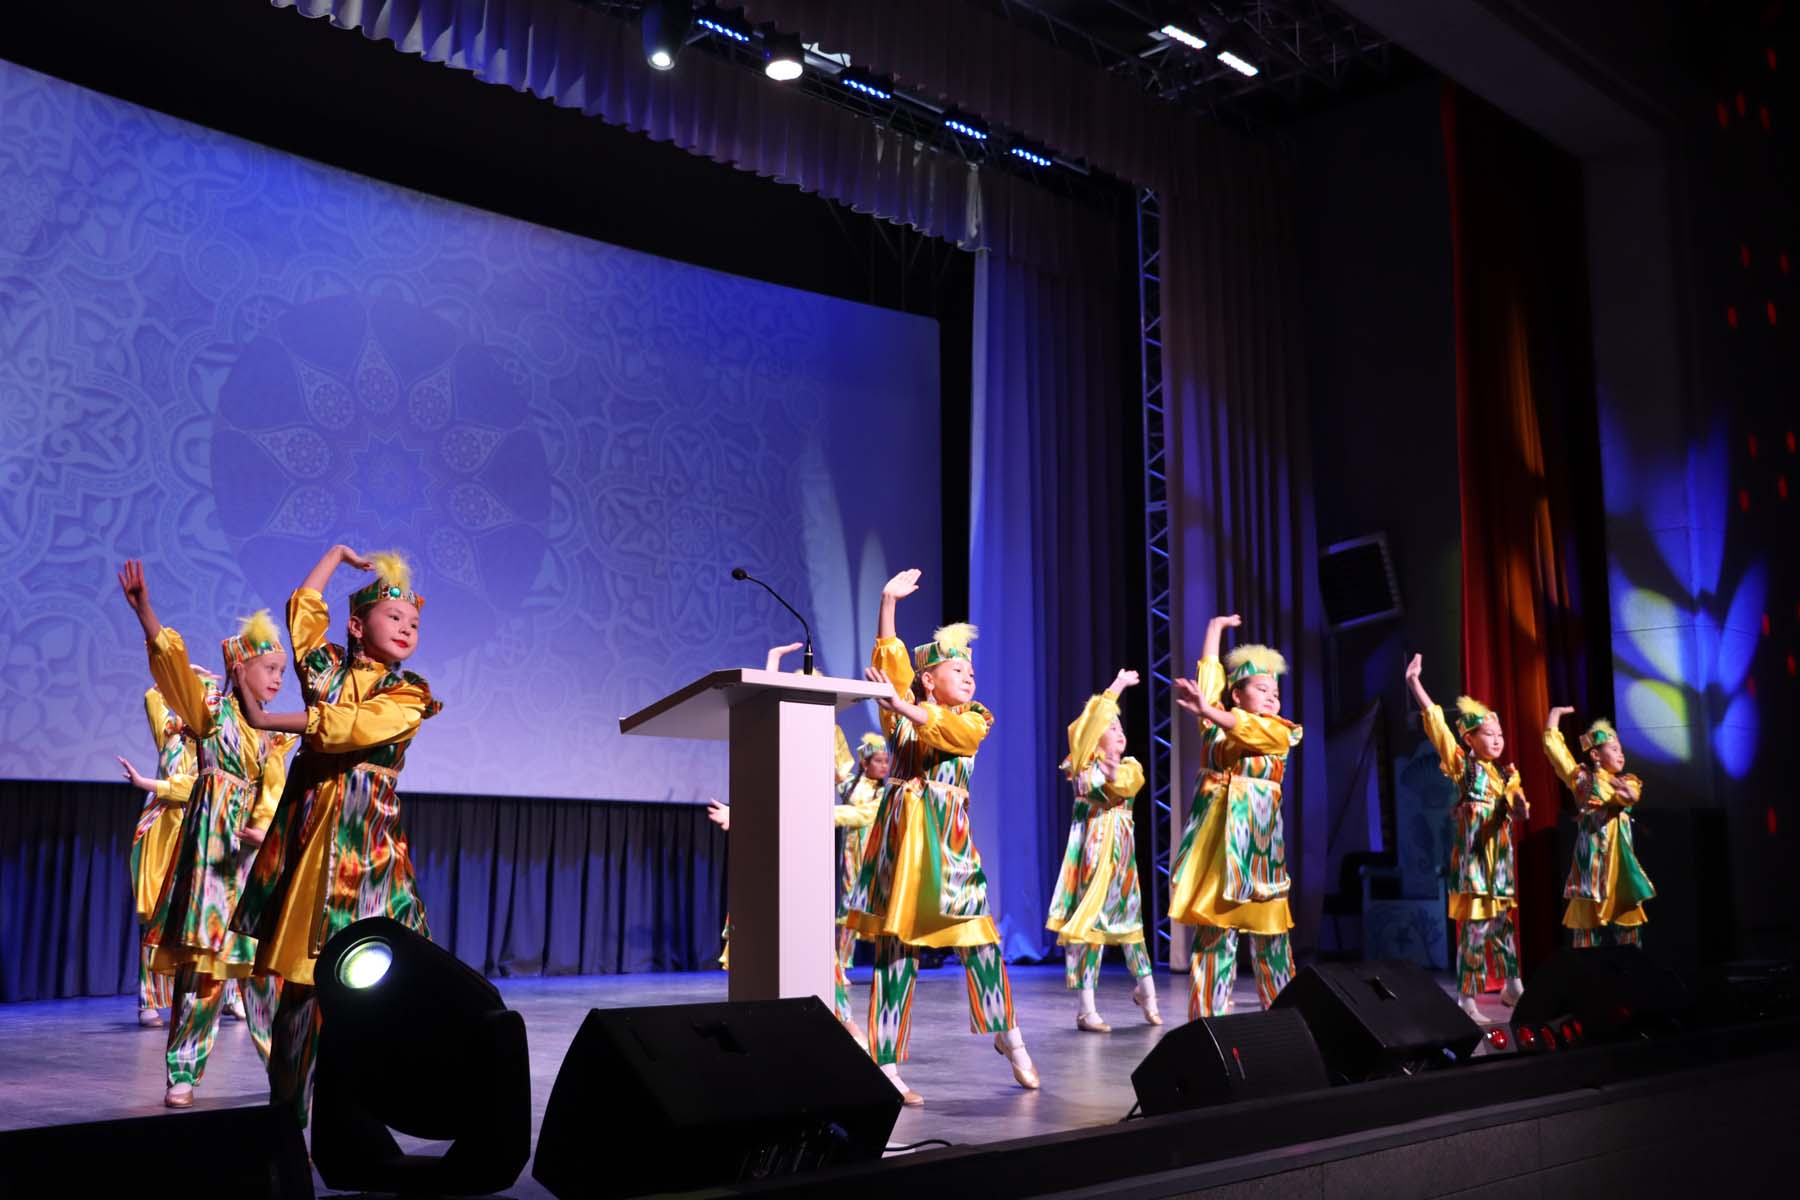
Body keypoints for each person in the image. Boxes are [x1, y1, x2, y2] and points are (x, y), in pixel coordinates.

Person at [231, 545, 441, 1125]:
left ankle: (359, 1118)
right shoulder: (325, 670)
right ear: (356, 626)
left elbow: (347, 728)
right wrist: (334, 556)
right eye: (393, 617)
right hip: (310, 845)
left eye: (414, 622)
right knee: (301, 986)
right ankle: (286, 1119)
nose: (407, 628)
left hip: (367, 852)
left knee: (375, 982)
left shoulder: (408, 693)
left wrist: (268, 719)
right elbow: (303, 608)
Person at [845, 568, 1036, 1106]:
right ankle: (884, 1061)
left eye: (971, 670)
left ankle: (1007, 1031)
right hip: (903, 841)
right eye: (957, 669)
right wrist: (887, 603)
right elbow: (892, 668)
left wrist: (907, 706)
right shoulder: (901, 721)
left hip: (950, 844)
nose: (969, 677)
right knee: (896, 949)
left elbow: (953, 733)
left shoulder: (975, 718)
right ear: (929, 679)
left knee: (979, 938)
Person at [117, 560, 293, 1107]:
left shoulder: (273, 737)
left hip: (251, 859)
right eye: (269, 668)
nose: (277, 679)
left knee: (264, 974)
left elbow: (274, 790)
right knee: (204, 970)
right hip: (213, 854)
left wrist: (263, 828)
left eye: (282, 672)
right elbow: (172, 672)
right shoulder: (212, 716)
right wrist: (146, 613)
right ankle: (183, 1072)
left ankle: (287, 1077)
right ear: (239, 669)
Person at [1169, 616, 1302, 1019]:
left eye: (1275, 692)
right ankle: (1205, 1023)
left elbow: (1245, 727)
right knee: (1214, 937)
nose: (1272, 697)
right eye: (1261, 689)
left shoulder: (1281, 732)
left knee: (1272, 940)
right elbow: (1208, 685)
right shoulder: (1215, 730)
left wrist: (1210, 711)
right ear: (1236, 694)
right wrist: (1214, 628)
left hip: (1261, 856)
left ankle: (1287, 1019)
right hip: (1220, 857)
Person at [1404, 654, 1528, 1019]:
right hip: (1474, 862)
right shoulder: (1464, 767)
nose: (1497, 740)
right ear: (1470, 738)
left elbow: (1519, 810)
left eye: (1500, 735)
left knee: (1503, 925)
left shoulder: (1506, 775)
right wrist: (1415, 684)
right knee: (1475, 929)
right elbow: (1437, 726)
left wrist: (1520, 807)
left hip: (1499, 863)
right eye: (1489, 734)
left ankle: (1512, 985)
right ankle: (1467, 999)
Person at [1046, 670, 1160, 1030]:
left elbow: (1125, 785)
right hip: (1092, 861)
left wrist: (1113, 773)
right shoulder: (1082, 769)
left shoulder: (1131, 767)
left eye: (1120, 726)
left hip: (1122, 867)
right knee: (1090, 931)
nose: (1118, 730)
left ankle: (1148, 994)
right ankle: (1086, 1009)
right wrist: (1116, 688)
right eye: (1110, 727)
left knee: (1132, 929)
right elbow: (1093, 773)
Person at [1543, 709, 1654, 947]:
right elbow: (1556, 751)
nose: (1620, 754)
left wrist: (1623, 793)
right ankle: (1585, 969)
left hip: (1619, 868)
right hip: (1590, 867)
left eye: (1621, 750)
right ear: (1595, 754)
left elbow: (1631, 796)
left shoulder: (1627, 781)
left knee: (1628, 931)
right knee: (1585, 931)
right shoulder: (1582, 780)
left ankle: (1630, 967)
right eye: (1614, 749)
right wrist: (1554, 715)